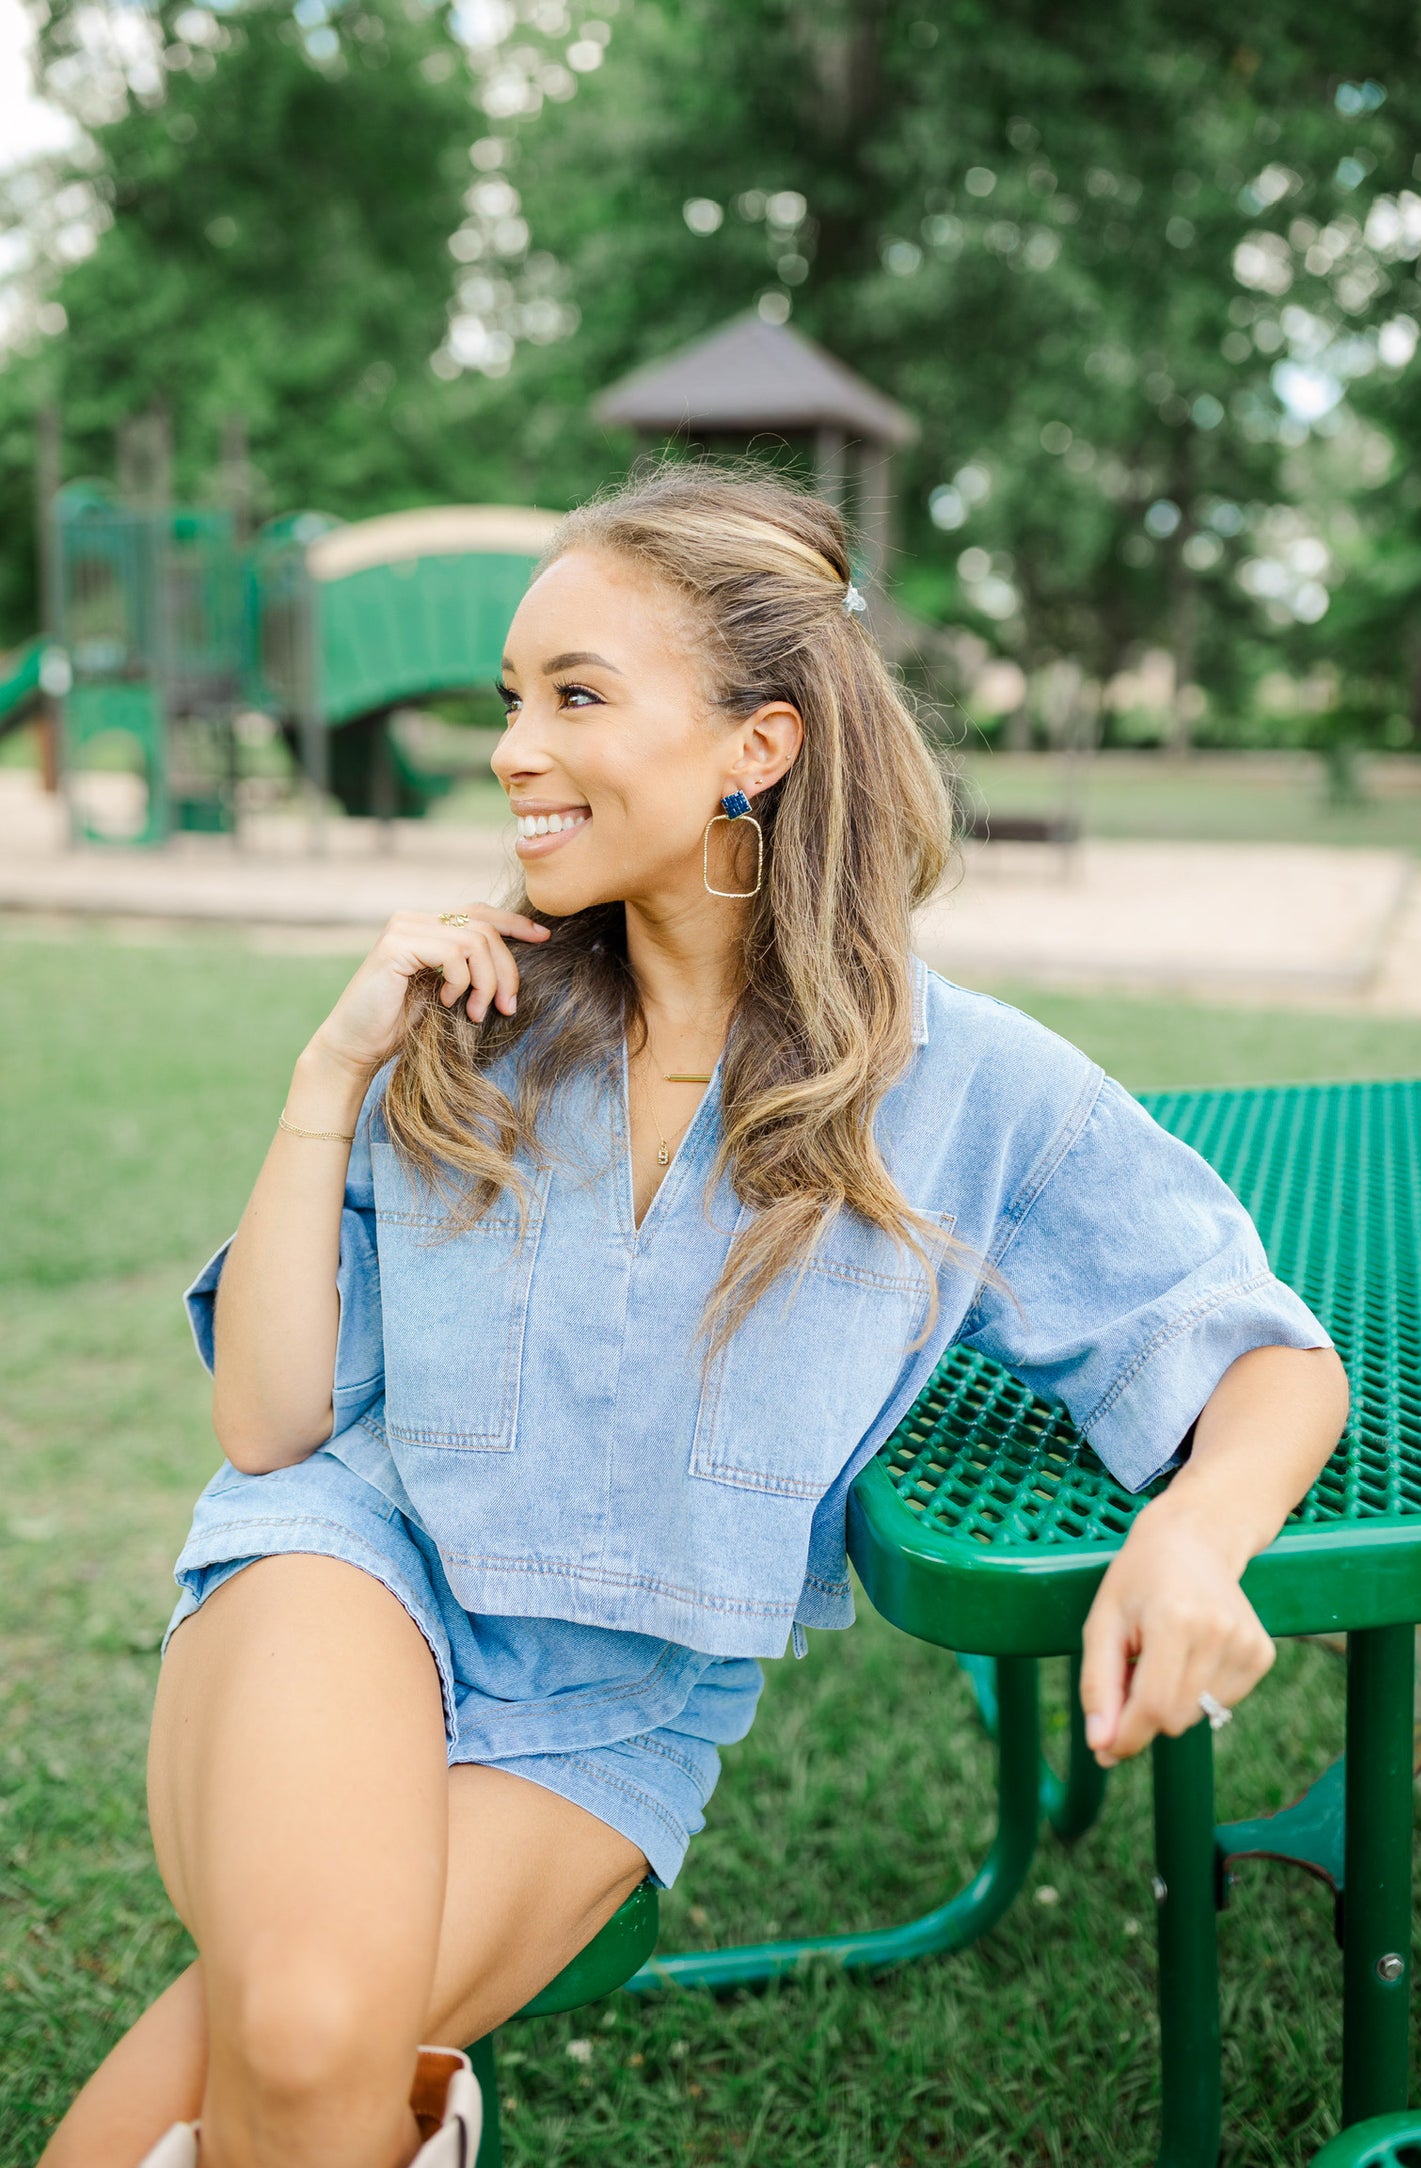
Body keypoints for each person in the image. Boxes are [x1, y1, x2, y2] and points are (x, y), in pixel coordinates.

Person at [39, 461, 1349, 2168]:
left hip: (620, 1714)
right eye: (512, 698)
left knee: (304, 2055)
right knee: (297, 2024)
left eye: (577, 696)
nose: (514, 747)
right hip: (349, 1572)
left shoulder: (969, 1091)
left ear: (760, 745)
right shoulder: (469, 1019)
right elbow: (272, 1424)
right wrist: (327, 1070)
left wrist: (1194, 1540)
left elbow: (1255, 1350)